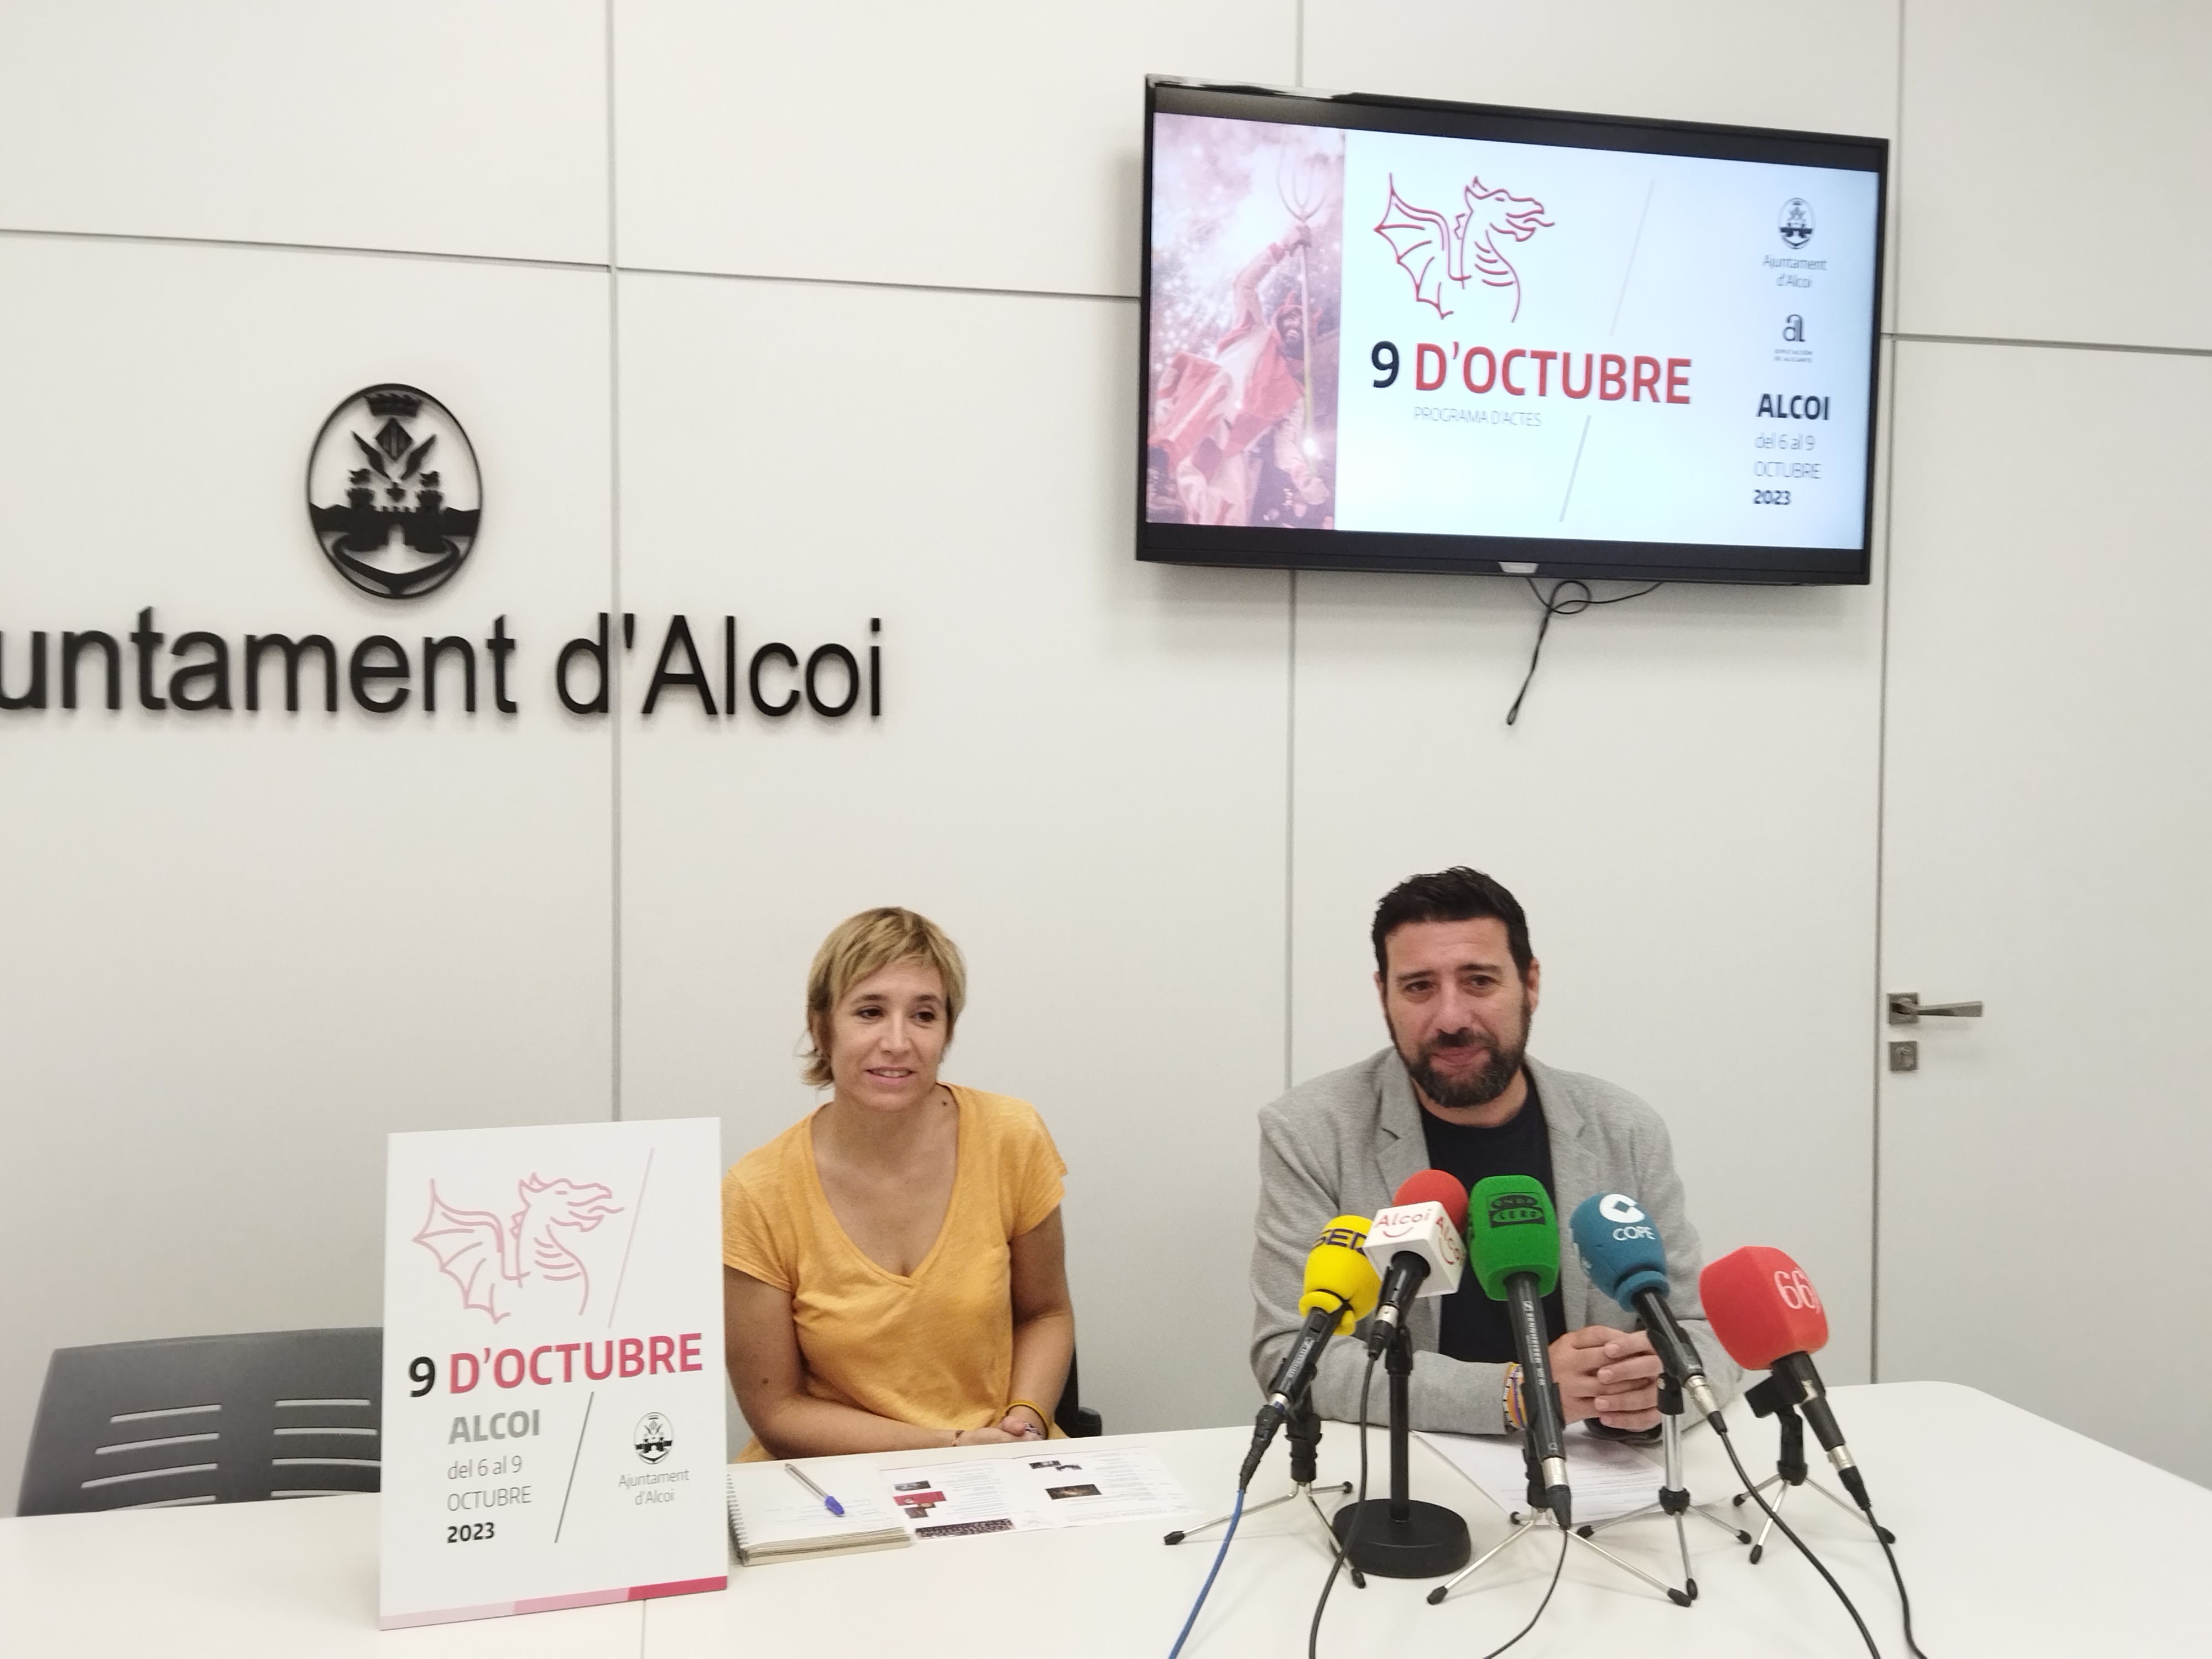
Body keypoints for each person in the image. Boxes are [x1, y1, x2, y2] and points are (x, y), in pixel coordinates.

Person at [1249, 867, 1741, 1436]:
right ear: (1382, 995)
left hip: (1604, 1473)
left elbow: (1699, 1328)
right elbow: (1291, 1353)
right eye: (1419, 987)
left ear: (1529, 984)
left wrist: (1663, 1387)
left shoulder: (1623, 1128)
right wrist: (1517, 1393)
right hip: (1413, 1481)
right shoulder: (1312, 1132)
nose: (1452, 1018)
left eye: (1479, 981)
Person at [722, 907, 1074, 1459]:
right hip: (837, 1478)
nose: (897, 1041)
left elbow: (1045, 1313)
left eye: (924, 1015)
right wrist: (949, 1447)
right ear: (821, 1027)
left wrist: (1023, 1424)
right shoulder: (757, 1191)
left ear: (946, 1031)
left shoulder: (1012, 1136)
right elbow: (777, 1410)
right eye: (869, 1012)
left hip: (1000, 1461)